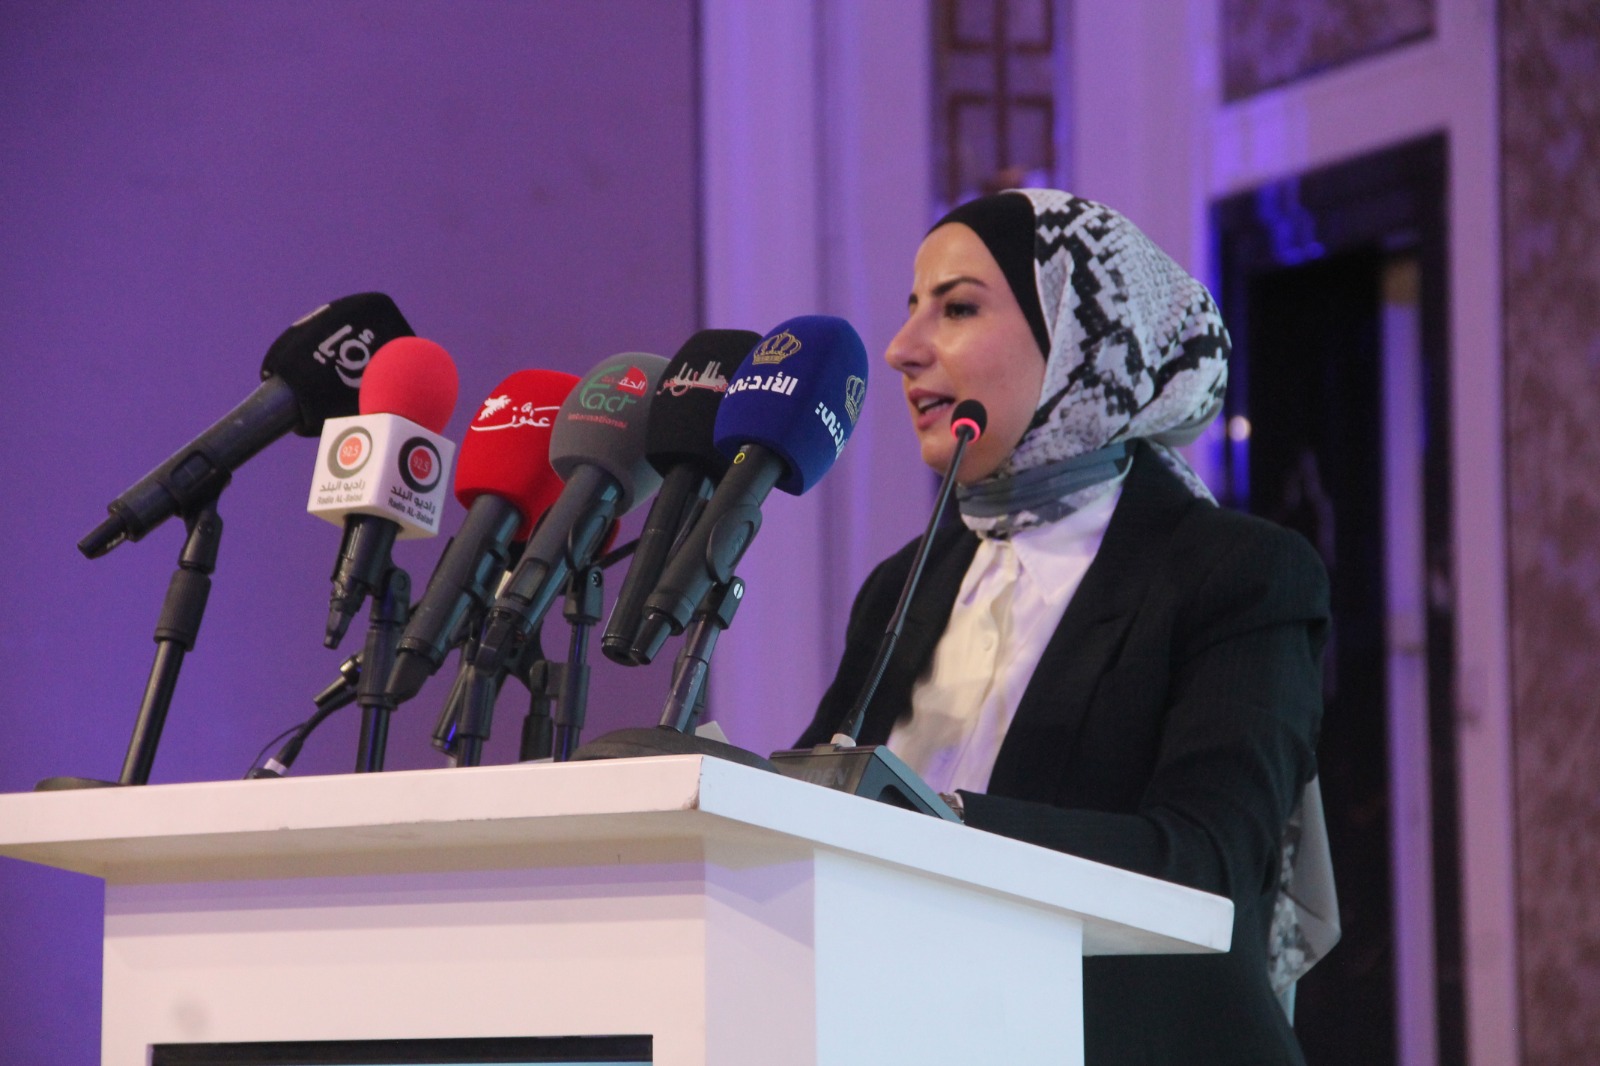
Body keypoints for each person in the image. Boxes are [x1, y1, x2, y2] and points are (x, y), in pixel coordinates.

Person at [799, 189, 1330, 1064]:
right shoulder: (902, 584)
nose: (902, 349)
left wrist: (938, 826)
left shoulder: (1236, 573)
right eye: (912, 308)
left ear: (1081, 338)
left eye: (957, 309)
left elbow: (1208, 869)